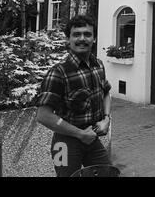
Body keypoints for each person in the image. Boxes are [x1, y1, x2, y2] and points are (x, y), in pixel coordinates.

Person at [36, 15, 113, 177]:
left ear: (94, 38)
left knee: (107, 173)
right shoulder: (58, 72)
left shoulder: (98, 65)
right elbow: (43, 116)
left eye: (87, 34)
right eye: (76, 34)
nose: (82, 39)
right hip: (64, 143)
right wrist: (79, 134)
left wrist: (106, 119)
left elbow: (106, 93)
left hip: (92, 139)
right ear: (68, 39)